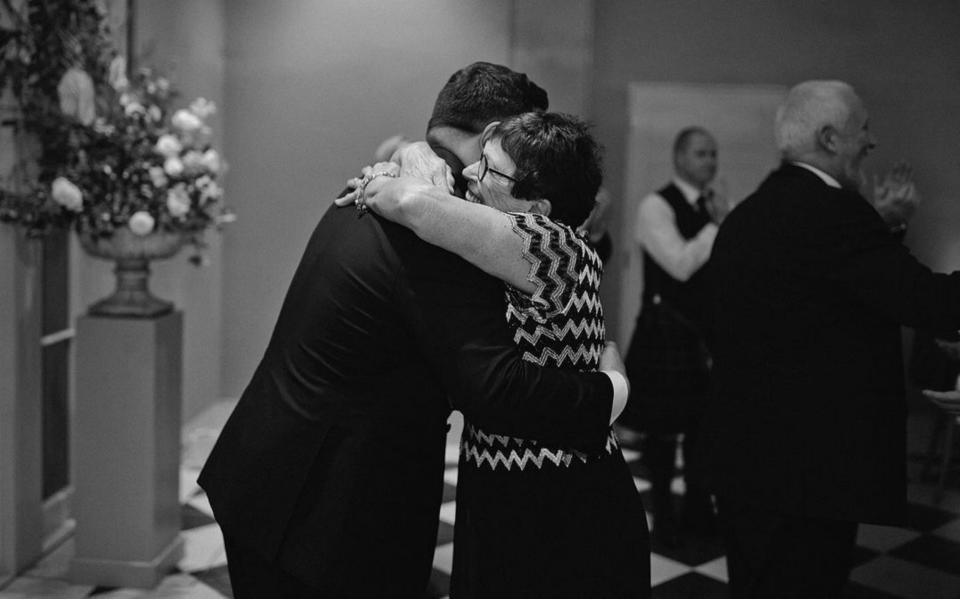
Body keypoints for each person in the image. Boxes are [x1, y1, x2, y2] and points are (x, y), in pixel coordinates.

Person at [198, 63, 630, 598]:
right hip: (321, 506)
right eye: (515, 136)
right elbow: (494, 387)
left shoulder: (394, 190)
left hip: (275, 470)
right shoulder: (438, 234)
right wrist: (610, 390)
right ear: (493, 131)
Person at [343, 111, 650, 598]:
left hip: (561, 500)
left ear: (539, 206)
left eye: (489, 169)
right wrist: (405, 155)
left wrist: (382, 176)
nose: (470, 174)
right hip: (508, 483)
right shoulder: (518, 244)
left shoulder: (554, 249)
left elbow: (408, 201)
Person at [701, 80, 960, 598]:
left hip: (746, 465)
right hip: (810, 475)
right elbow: (924, 300)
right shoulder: (834, 211)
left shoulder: (748, 216)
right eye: (863, 128)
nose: (871, 141)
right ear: (829, 136)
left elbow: (831, 295)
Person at [621, 126, 725, 546]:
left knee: (704, 427)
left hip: (704, 332)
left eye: (714, 153)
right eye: (702, 153)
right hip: (666, 330)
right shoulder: (654, 205)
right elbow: (680, 264)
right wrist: (717, 227)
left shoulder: (715, 205)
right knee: (662, 431)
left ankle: (700, 511)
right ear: (680, 158)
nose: (711, 161)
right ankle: (662, 515)